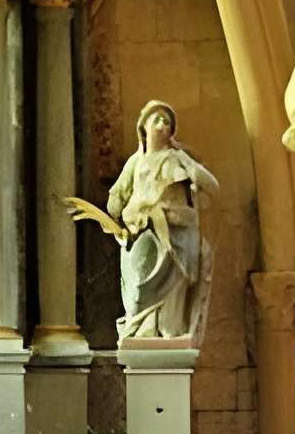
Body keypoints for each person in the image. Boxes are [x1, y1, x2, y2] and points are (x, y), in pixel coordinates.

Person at [69, 98, 218, 340]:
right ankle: (142, 329)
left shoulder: (177, 158)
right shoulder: (135, 162)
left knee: (172, 292)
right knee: (138, 287)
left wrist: (192, 171)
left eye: (167, 122)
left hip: (175, 234)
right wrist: (117, 216)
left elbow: (212, 185)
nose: (162, 124)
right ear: (143, 126)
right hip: (140, 231)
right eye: (156, 119)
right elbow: (117, 196)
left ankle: (168, 331)